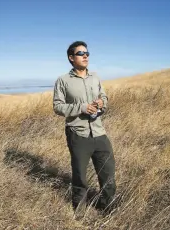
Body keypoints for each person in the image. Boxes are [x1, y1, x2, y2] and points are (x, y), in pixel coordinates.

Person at [53, 41, 116, 215]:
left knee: (108, 175)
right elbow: (58, 107)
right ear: (71, 58)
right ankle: (79, 212)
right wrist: (82, 107)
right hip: (78, 134)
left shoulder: (95, 78)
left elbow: (104, 97)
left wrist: (102, 103)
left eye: (87, 53)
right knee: (80, 176)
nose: (86, 55)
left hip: (99, 133)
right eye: (81, 53)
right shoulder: (63, 81)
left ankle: (108, 209)